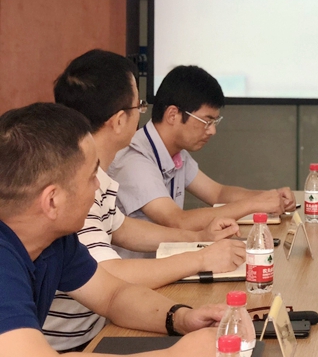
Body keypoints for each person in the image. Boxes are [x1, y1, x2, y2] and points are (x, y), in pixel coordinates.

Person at [43, 50, 245, 351]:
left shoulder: (97, 176)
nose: (143, 114)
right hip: (63, 346)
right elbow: (109, 274)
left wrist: (198, 238)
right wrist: (201, 258)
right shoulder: (74, 187)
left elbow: (123, 229)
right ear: (119, 120)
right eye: (139, 106)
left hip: (97, 326)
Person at [0, 103, 222, 357]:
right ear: (52, 201)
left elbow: (113, 296)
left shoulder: (56, 239)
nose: (98, 185)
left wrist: (182, 318)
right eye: (91, 176)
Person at [108, 65, 295, 255]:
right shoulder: (134, 159)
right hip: (140, 270)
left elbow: (218, 193)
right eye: (207, 121)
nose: (212, 131)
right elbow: (178, 221)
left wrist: (268, 197)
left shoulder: (175, 152)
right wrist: (254, 205)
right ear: (172, 115)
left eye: (214, 122)